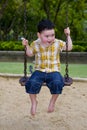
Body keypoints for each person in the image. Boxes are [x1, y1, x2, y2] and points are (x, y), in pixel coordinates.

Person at [22, 19, 72, 116]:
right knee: (31, 83)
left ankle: (52, 102)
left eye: (52, 35)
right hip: (39, 70)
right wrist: (26, 45)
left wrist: (68, 35)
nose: (50, 38)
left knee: (58, 83)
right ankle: (34, 102)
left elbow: (68, 48)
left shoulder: (57, 43)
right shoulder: (35, 44)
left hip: (54, 71)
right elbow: (29, 53)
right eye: (47, 36)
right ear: (39, 35)